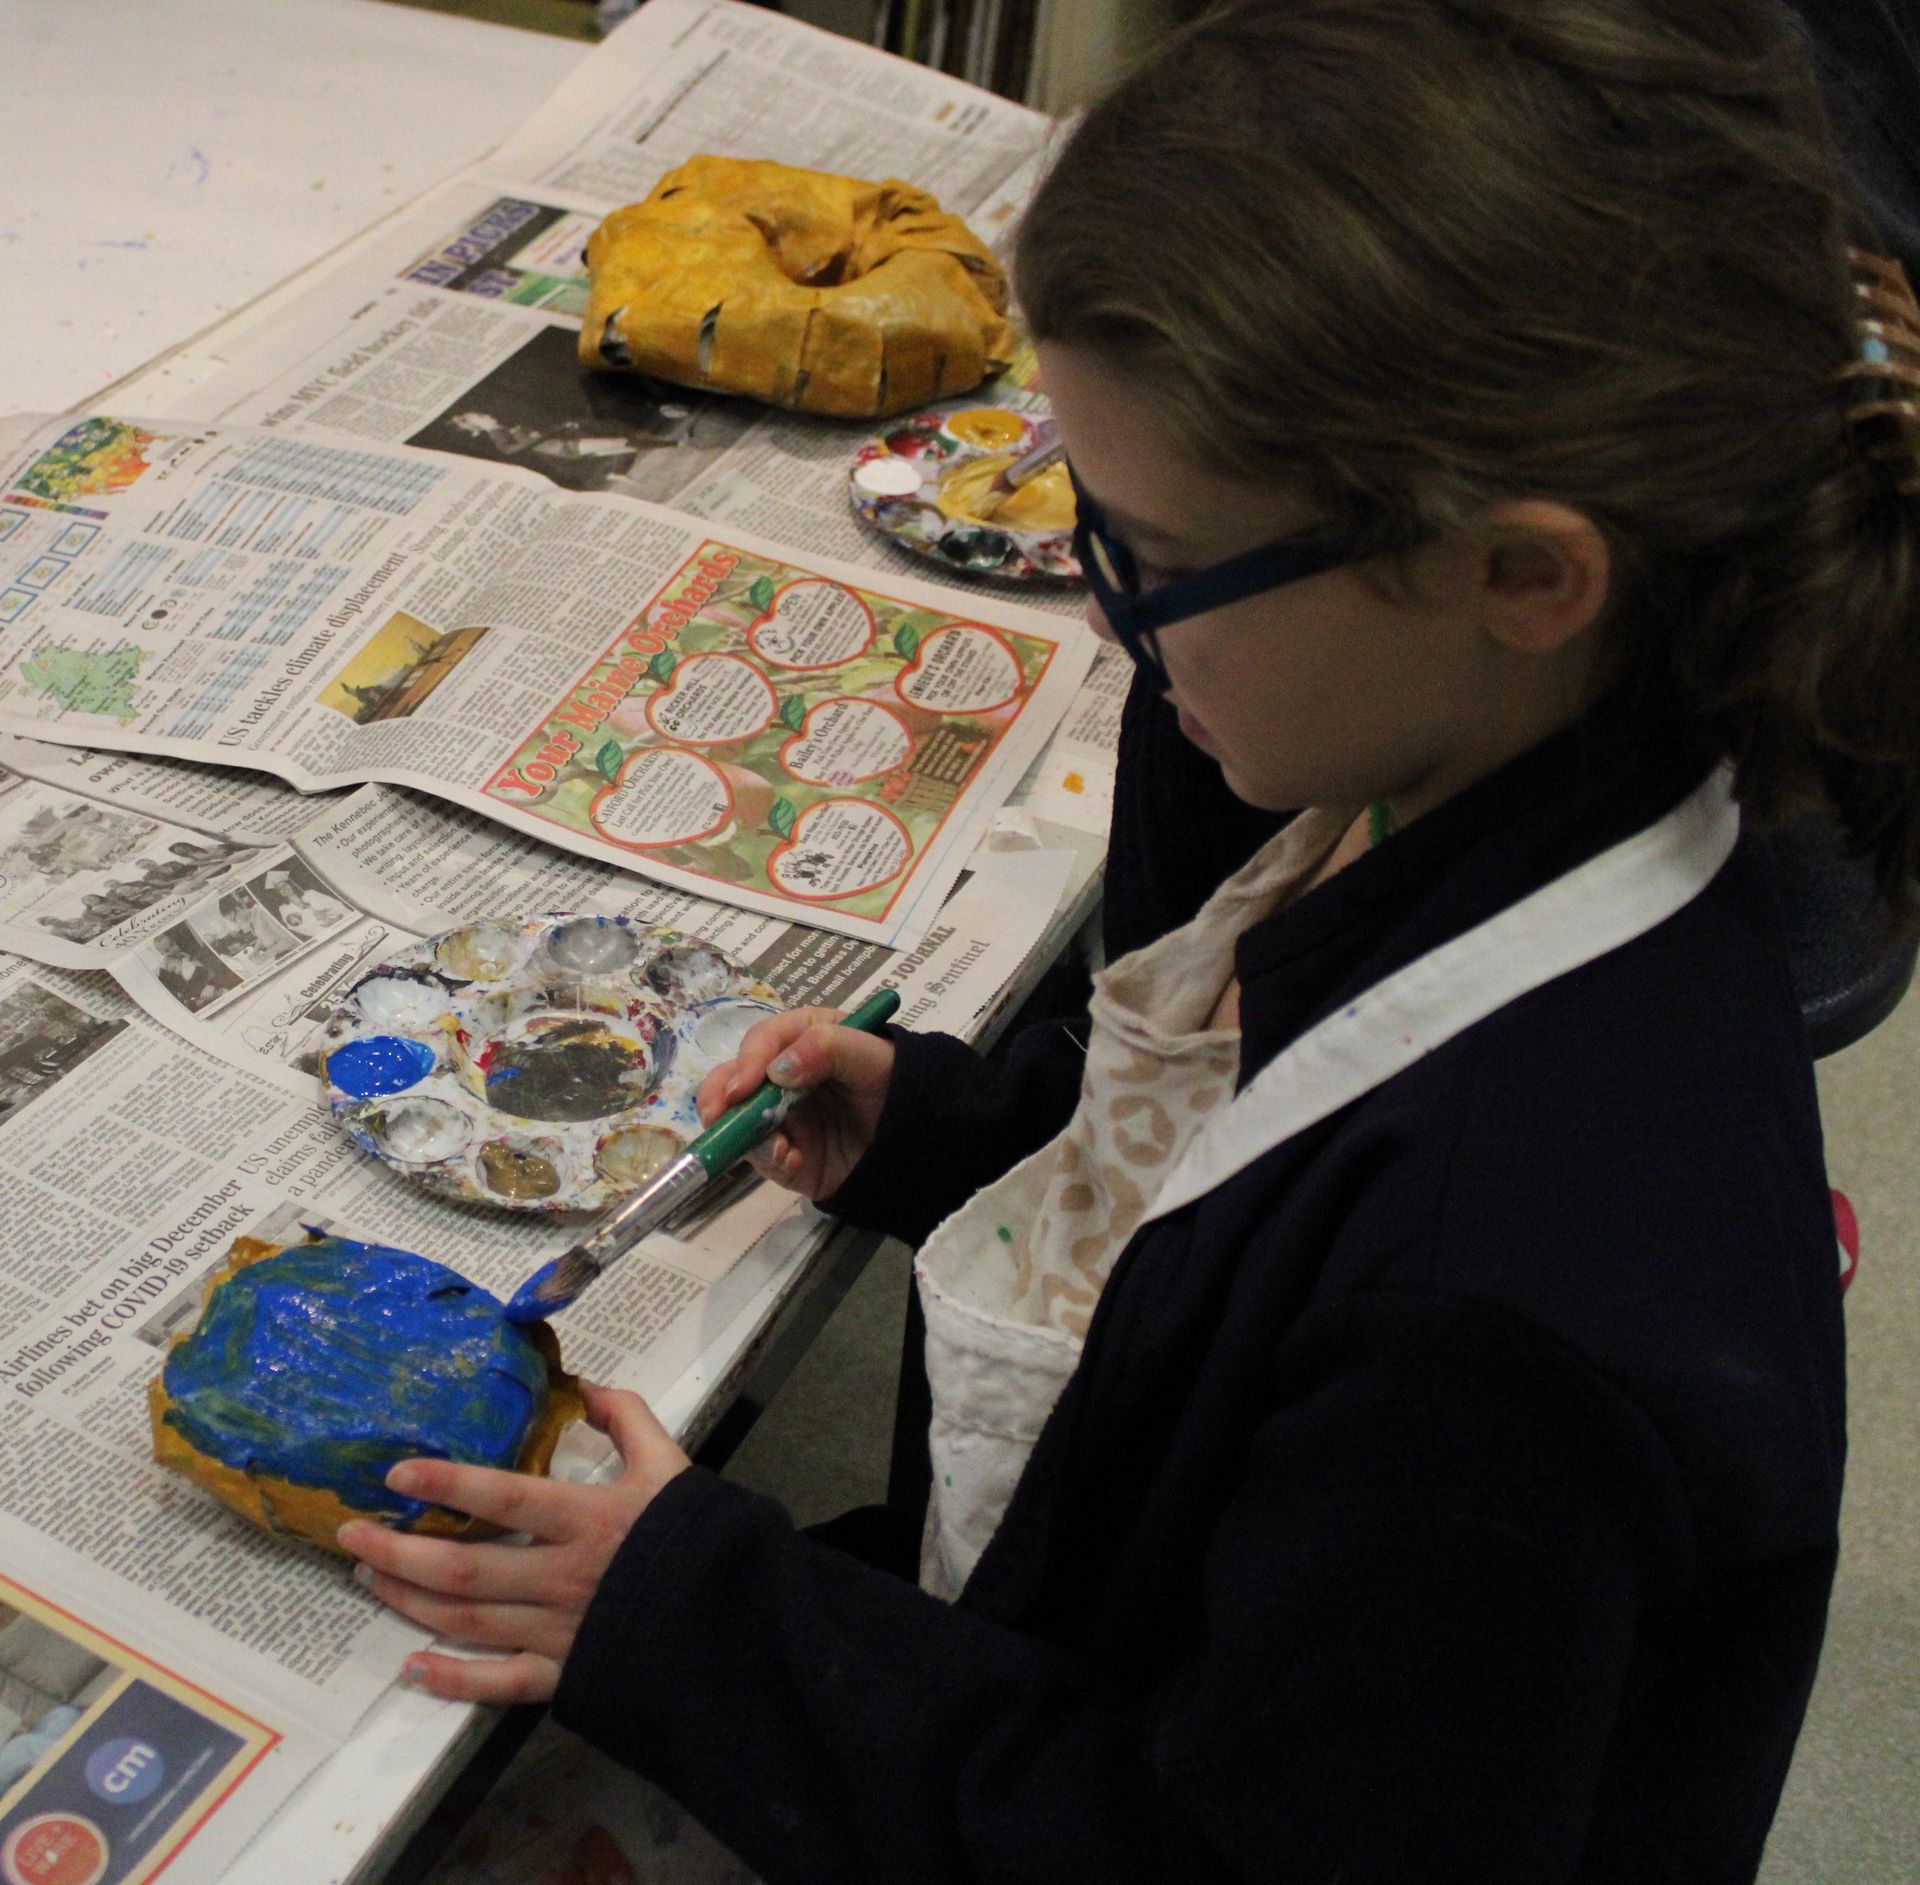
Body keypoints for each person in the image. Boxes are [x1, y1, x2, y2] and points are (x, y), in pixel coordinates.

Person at [340, 1, 1920, 1877]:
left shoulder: (1502, 1317)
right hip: (1094, 1646)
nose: (1105, 624)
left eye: (1153, 562)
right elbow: (1242, 1226)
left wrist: (711, 1621)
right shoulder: (1472, 779)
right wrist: (965, 1136)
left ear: (1521, 572)